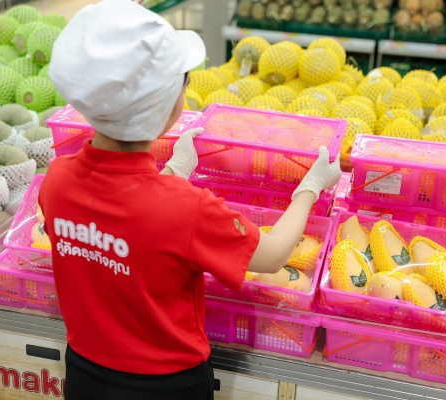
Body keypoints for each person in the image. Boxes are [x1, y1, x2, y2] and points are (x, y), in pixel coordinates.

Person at [39, 1, 341, 399]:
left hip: (85, 375)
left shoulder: (57, 181)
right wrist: (309, 188)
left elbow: (121, 217)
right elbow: (272, 256)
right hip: (168, 388)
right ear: (168, 106)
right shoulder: (187, 208)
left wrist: (174, 169)